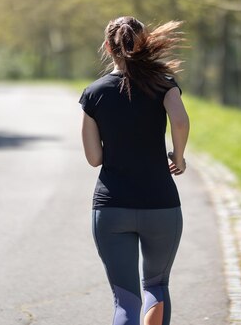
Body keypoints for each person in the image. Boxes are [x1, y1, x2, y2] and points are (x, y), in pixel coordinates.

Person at [79, 16, 190, 325]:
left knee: (125, 300)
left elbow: (94, 157)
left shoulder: (94, 93)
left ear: (107, 47)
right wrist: (178, 157)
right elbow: (180, 121)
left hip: (111, 207)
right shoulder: (164, 84)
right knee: (156, 286)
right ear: (145, 44)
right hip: (161, 204)